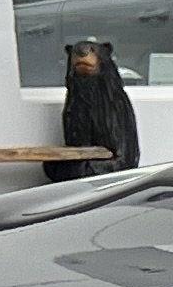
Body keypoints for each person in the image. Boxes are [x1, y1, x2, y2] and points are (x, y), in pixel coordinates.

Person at [47, 39, 141, 181]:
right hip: (86, 159)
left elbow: (125, 154)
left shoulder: (115, 101)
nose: (82, 56)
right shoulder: (75, 100)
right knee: (52, 167)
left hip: (115, 164)